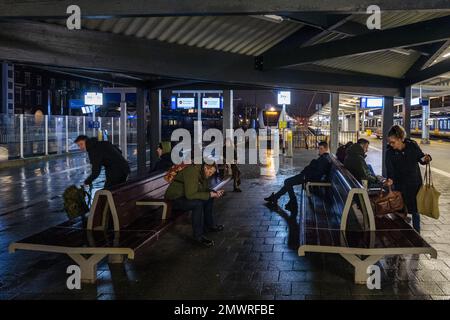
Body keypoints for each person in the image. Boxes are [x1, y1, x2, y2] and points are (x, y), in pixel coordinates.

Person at [385, 125, 431, 233]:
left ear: (401, 139)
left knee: (415, 210)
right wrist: (390, 180)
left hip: (414, 184)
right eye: (389, 142)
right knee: (401, 210)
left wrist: (426, 158)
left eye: (393, 142)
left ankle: (417, 233)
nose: (391, 145)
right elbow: (390, 170)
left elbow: (421, 158)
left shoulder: (412, 146)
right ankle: (402, 233)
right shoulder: (389, 152)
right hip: (400, 185)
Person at [165, 163, 225, 247]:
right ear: (205, 168)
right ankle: (198, 237)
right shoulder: (191, 171)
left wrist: (213, 193)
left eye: (212, 173)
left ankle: (209, 225)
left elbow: (203, 189)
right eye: (210, 172)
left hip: (184, 196)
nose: (210, 175)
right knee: (198, 204)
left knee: (209, 198)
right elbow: (191, 195)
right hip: (174, 199)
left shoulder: (201, 172)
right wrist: (210, 194)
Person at [264, 141, 331, 210]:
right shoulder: (325, 157)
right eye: (319, 148)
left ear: (326, 149)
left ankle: (293, 201)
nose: (319, 150)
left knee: (287, 182)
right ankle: (275, 197)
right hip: (307, 176)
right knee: (288, 183)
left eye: (321, 149)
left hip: (308, 177)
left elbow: (317, 174)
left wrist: (305, 176)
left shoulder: (324, 159)